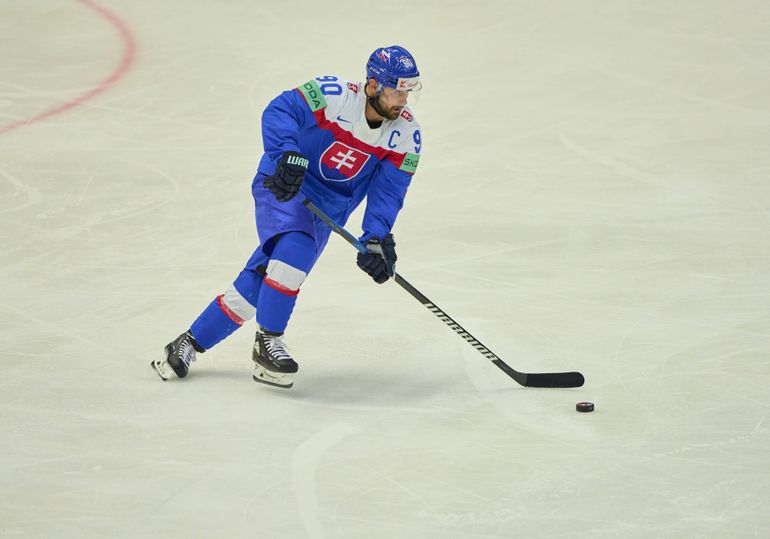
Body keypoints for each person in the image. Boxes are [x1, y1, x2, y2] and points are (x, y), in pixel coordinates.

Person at [151, 46, 423, 388]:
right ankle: (269, 342)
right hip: (285, 183)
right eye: (397, 91)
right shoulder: (333, 94)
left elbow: (389, 191)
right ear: (372, 86)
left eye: (408, 92)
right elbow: (281, 109)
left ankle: (188, 343)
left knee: (265, 277)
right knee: (294, 249)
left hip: (326, 212)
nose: (404, 101)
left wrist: (376, 236)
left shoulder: (406, 136)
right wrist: (287, 154)